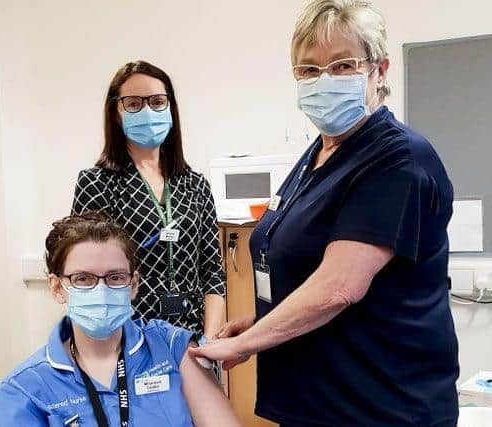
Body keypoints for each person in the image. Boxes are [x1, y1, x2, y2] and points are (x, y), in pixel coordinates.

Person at [190, 1, 459, 426]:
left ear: (379, 70)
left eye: (342, 65)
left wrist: (249, 344)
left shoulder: (398, 159)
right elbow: (306, 266)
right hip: (316, 401)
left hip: (380, 406)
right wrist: (259, 320)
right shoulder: (319, 155)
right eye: (309, 70)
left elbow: (339, 287)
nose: (324, 80)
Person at [0, 211, 241, 426]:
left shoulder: (171, 347)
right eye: (83, 279)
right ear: (57, 287)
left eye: (116, 277)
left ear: (133, 284)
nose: (101, 290)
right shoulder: (25, 389)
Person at [72, 61, 225, 343]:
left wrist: (210, 341)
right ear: (116, 113)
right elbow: (90, 276)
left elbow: (213, 271)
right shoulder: (97, 184)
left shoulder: (195, 184)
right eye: (133, 104)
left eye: (157, 101)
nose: (147, 111)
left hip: (191, 338)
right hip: (127, 338)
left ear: (170, 108)